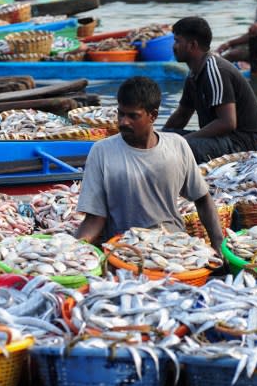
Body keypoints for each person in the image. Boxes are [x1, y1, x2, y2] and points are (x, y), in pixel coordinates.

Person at [75, 76, 224, 253]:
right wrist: (75, 251)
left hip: (174, 245)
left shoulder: (177, 145)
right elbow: (95, 218)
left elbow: (203, 199)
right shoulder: (101, 151)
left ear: (152, 116)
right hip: (125, 248)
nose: (123, 122)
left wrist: (218, 246)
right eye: (121, 113)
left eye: (133, 116)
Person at [163, 16, 257, 165]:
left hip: (241, 144)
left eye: (177, 41)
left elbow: (227, 123)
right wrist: (158, 137)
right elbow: (182, 115)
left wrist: (186, 140)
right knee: (165, 140)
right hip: (219, 140)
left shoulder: (215, 70)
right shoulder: (193, 74)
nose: (174, 46)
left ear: (192, 45)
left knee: (180, 147)